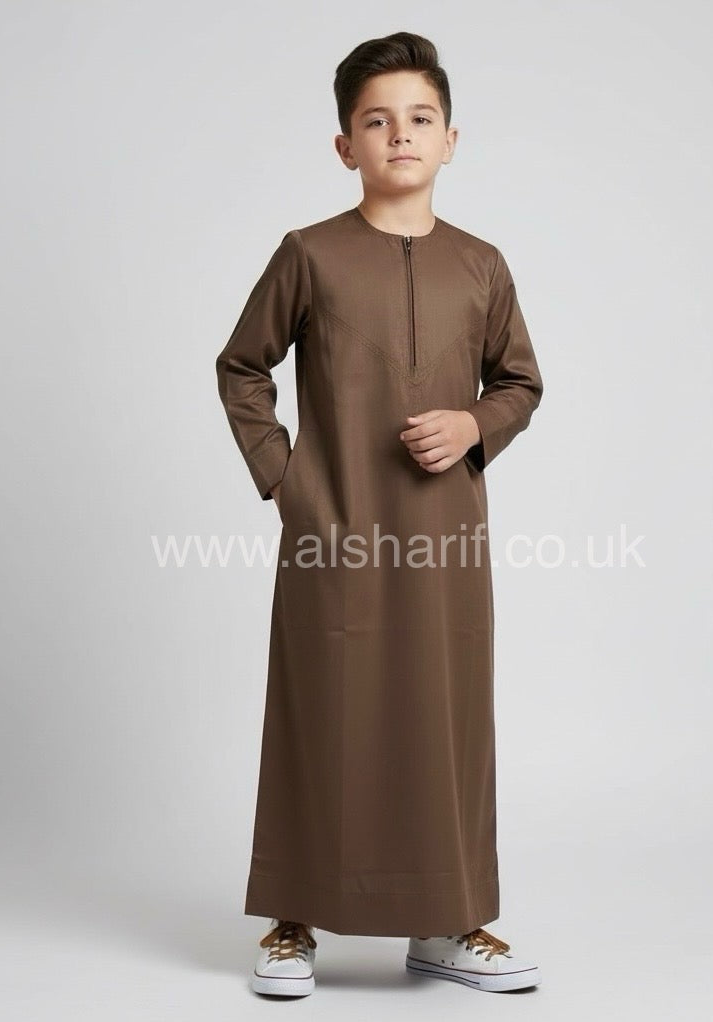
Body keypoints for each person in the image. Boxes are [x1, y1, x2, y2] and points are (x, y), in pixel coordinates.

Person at [215, 31, 545, 997]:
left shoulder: (481, 266)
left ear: (450, 140)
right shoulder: (309, 256)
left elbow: (521, 381)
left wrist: (474, 423)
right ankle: (292, 919)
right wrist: (289, 482)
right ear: (345, 145)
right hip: (334, 533)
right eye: (377, 121)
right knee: (322, 712)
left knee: (444, 723)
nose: (400, 134)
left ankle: (447, 922)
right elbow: (242, 368)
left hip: (446, 541)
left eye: (420, 118)